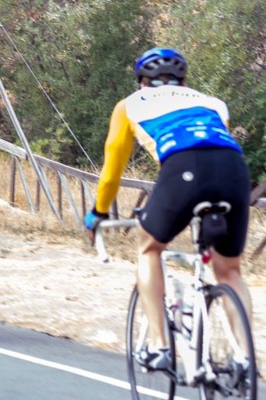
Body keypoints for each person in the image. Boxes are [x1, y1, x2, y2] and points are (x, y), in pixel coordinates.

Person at [84, 48, 251, 374]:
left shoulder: (129, 105)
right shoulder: (213, 102)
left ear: (142, 82)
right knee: (229, 270)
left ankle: (160, 346)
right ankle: (245, 357)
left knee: (148, 247)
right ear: (184, 80)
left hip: (183, 169)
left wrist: (99, 213)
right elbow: (214, 147)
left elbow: (112, 170)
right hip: (235, 172)